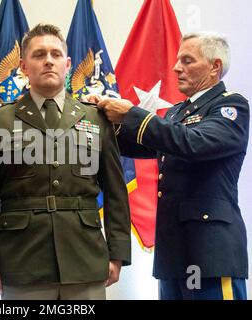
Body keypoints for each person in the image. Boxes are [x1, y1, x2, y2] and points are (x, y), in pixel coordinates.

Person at [0, 24, 131, 300]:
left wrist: (118, 252)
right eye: (39, 54)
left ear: (67, 64)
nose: (48, 61)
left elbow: (116, 191)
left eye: (56, 54)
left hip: (85, 258)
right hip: (21, 261)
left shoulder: (96, 118)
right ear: (23, 66)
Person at [87, 31, 249, 300]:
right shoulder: (177, 112)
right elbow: (145, 144)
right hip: (174, 252)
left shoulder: (231, 105)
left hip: (209, 252)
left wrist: (132, 114)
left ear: (214, 67)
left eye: (187, 60)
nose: (176, 68)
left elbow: (193, 143)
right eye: (177, 61)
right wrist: (105, 120)